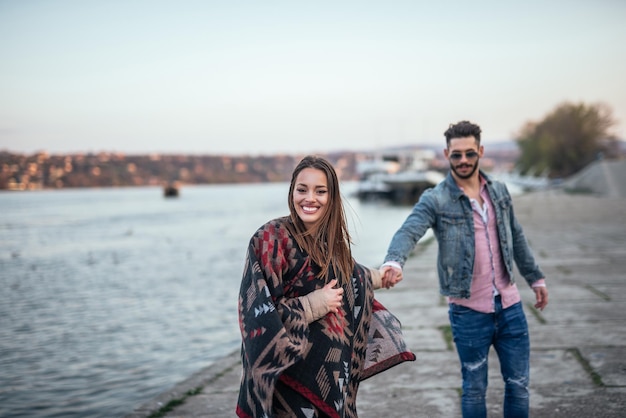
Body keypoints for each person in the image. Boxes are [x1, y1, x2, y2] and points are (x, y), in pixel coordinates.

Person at [381, 121, 549, 418]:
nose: (463, 160)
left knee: (519, 385)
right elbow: (409, 231)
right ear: (447, 154)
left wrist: (535, 277)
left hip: (510, 307)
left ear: (480, 151)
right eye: (456, 154)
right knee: (473, 387)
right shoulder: (436, 198)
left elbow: (516, 235)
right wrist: (395, 260)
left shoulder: (498, 191)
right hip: (468, 311)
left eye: (469, 153)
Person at [237, 155, 415, 418]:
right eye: (302, 189)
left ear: (332, 197)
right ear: (292, 192)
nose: (310, 198)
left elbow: (354, 275)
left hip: (330, 381)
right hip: (285, 382)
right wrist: (313, 305)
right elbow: (255, 314)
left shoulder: (333, 245)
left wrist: (382, 276)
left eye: (320, 191)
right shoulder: (269, 239)